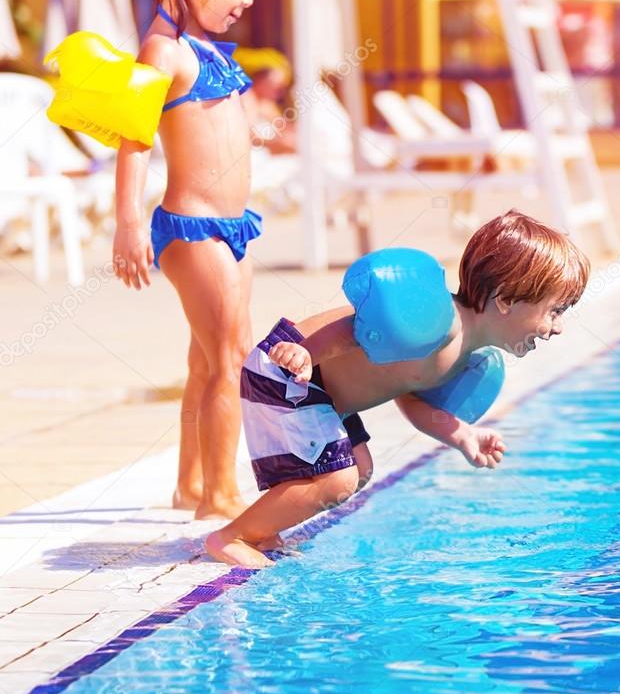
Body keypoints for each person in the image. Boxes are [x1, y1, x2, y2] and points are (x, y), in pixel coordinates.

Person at [205, 210, 590, 568]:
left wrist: (463, 436)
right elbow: (355, 329)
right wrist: (306, 353)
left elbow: (411, 393)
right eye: (555, 311)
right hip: (291, 369)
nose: (558, 327)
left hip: (323, 391)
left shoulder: (465, 353)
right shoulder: (439, 323)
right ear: (505, 300)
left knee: (360, 469)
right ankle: (230, 537)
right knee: (338, 480)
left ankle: (264, 529)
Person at [114, 0, 265, 518]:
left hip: (232, 228)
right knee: (232, 358)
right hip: (192, 228)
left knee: (208, 360)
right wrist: (128, 223)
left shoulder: (206, 48)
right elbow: (134, 138)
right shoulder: (163, 51)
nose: (249, 0)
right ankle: (220, 499)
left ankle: (192, 484)